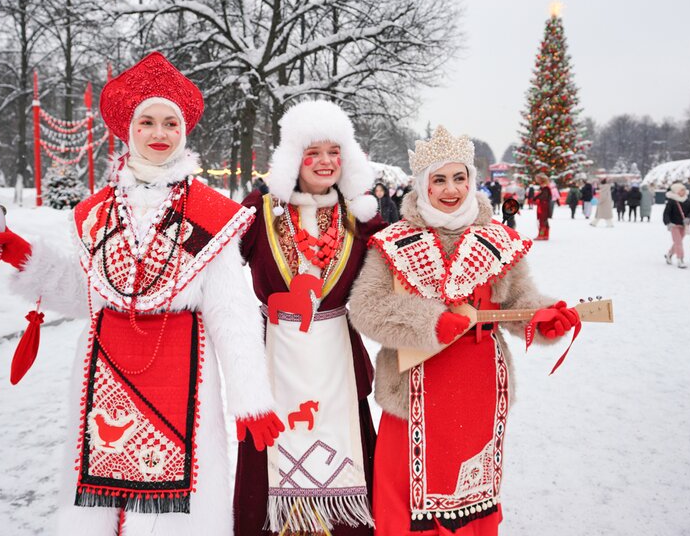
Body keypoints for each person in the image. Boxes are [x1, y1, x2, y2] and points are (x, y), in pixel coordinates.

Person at [0, 53, 283, 536]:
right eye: (147, 121)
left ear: (184, 131)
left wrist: (250, 397)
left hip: (184, 364)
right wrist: (26, 260)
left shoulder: (213, 213)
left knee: (177, 507)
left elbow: (231, 310)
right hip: (105, 366)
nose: (159, 132)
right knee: (99, 497)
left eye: (170, 122)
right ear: (129, 129)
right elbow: (88, 295)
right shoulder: (94, 212)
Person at [348, 126, 580, 536]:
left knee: (470, 491)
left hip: (478, 388)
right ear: (422, 185)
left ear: (472, 181)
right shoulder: (392, 242)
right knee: (404, 495)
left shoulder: (499, 241)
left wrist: (544, 320)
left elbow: (519, 303)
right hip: (411, 389)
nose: (451, 189)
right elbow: (366, 309)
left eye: (460, 178)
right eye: (439, 179)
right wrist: (429, 321)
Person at [236, 100, 381, 535]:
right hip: (274, 361)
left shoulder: (360, 218)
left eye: (333, 152)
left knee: (350, 460)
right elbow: (215, 269)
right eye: (312, 152)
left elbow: (405, 270)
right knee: (268, 464)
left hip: (337, 360)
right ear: (292, 157)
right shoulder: (259, 211)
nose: (324, 162)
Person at [663, 182, 690, 268]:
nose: (684, 191)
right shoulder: (672, 202)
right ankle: (680, 259)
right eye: (681, 190)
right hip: (674, 225)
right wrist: (668, 222)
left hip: (684, 225)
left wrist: (689, 218)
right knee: (679, 242)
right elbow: (666, 213)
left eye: (684, 190)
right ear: (676, 191)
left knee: (677, 242)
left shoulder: (687, 201)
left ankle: (669, 254)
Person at [534, 173, 552, 240]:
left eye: (537, 179)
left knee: (542, 221)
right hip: (543, 206)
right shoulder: (544, 188)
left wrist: (537, 199)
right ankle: (545, 235)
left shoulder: (545, 188)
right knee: (544, 221)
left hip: (543, 206)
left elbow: (544, 197)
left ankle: (541, 235)